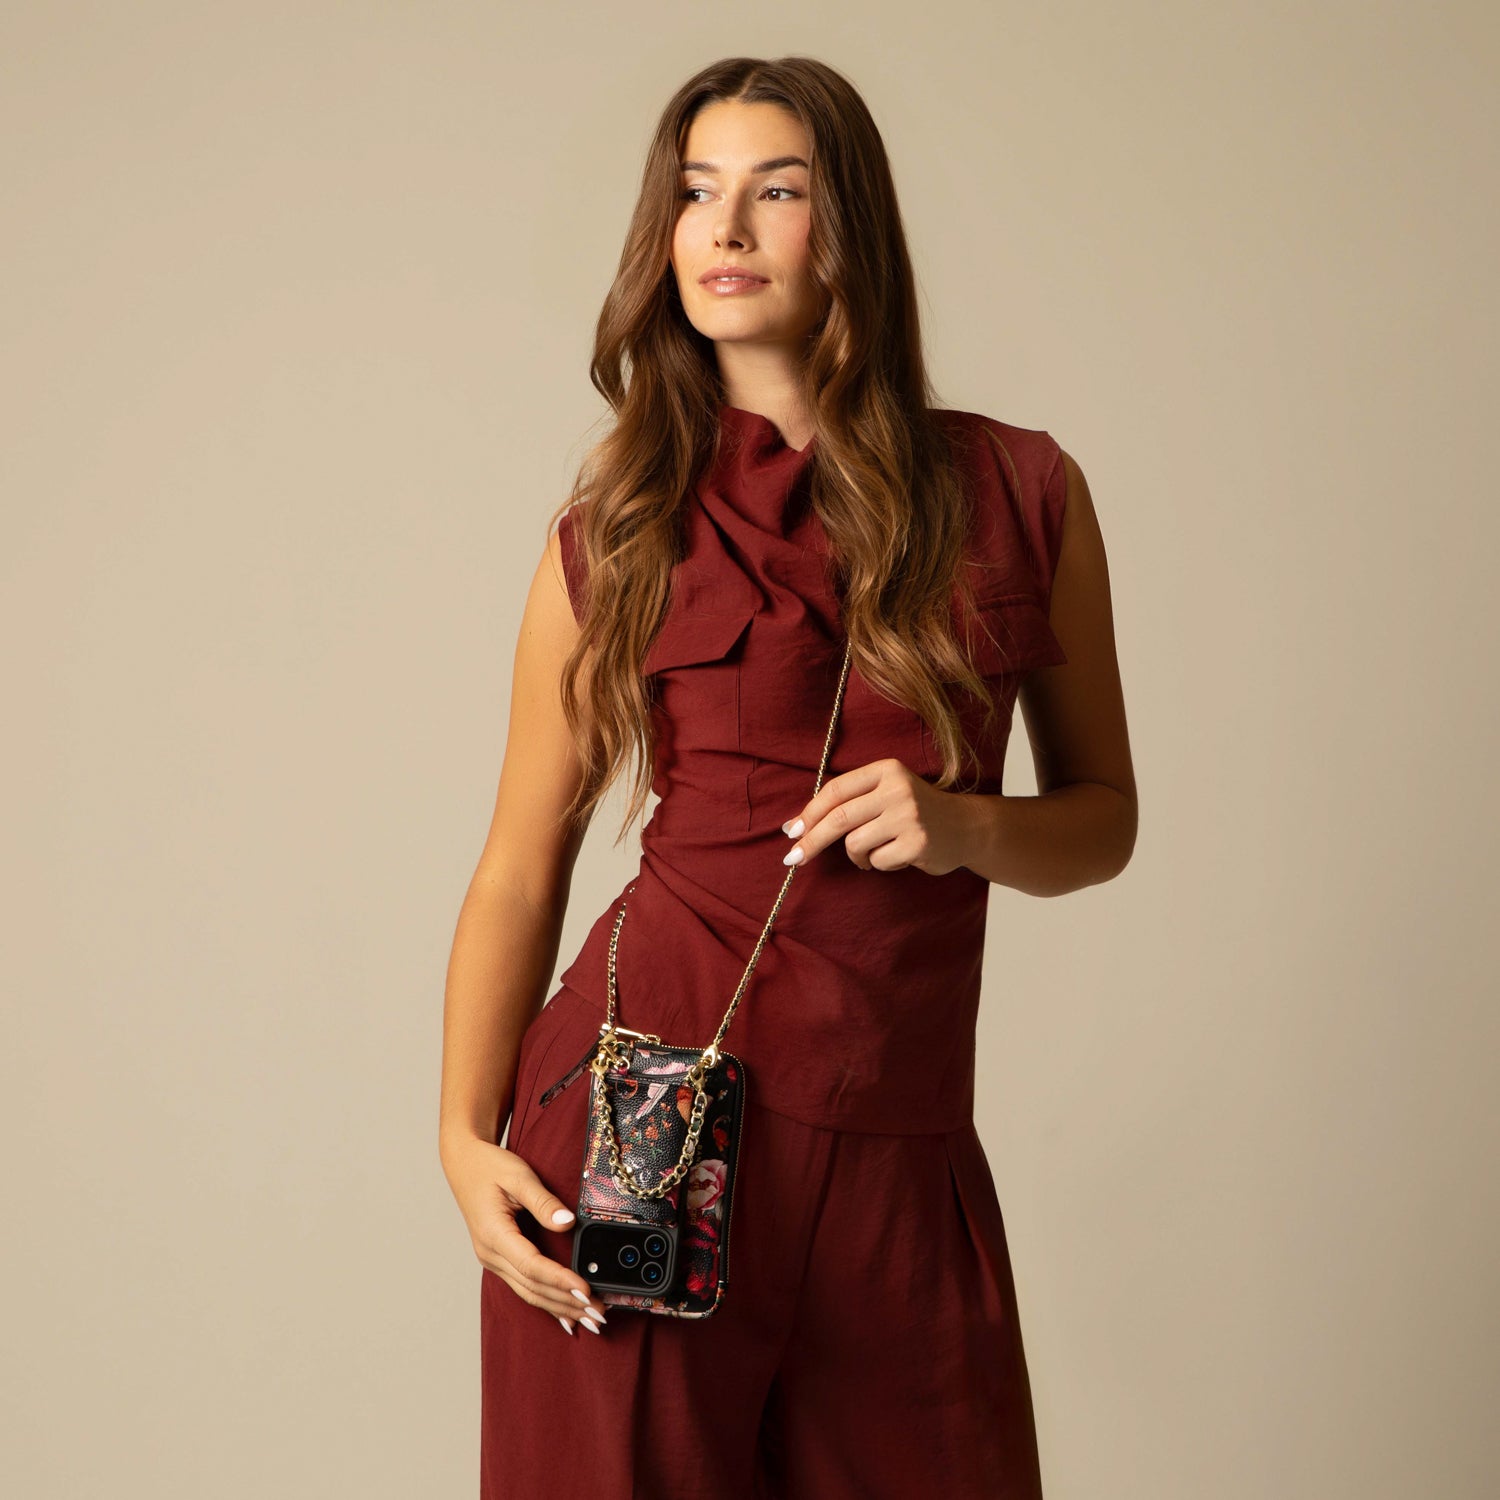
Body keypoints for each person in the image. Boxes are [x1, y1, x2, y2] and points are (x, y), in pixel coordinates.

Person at [439, 55, 1136, 1500]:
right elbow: (520, 861)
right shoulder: (614, 533)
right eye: (697, 193)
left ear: (849, 227)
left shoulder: (1022, 493)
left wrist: (962, 824)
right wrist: (460, 1137)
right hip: (641, 1117)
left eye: (778, 189)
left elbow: (1102, 822)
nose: (727, 226)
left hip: (897, 1152)